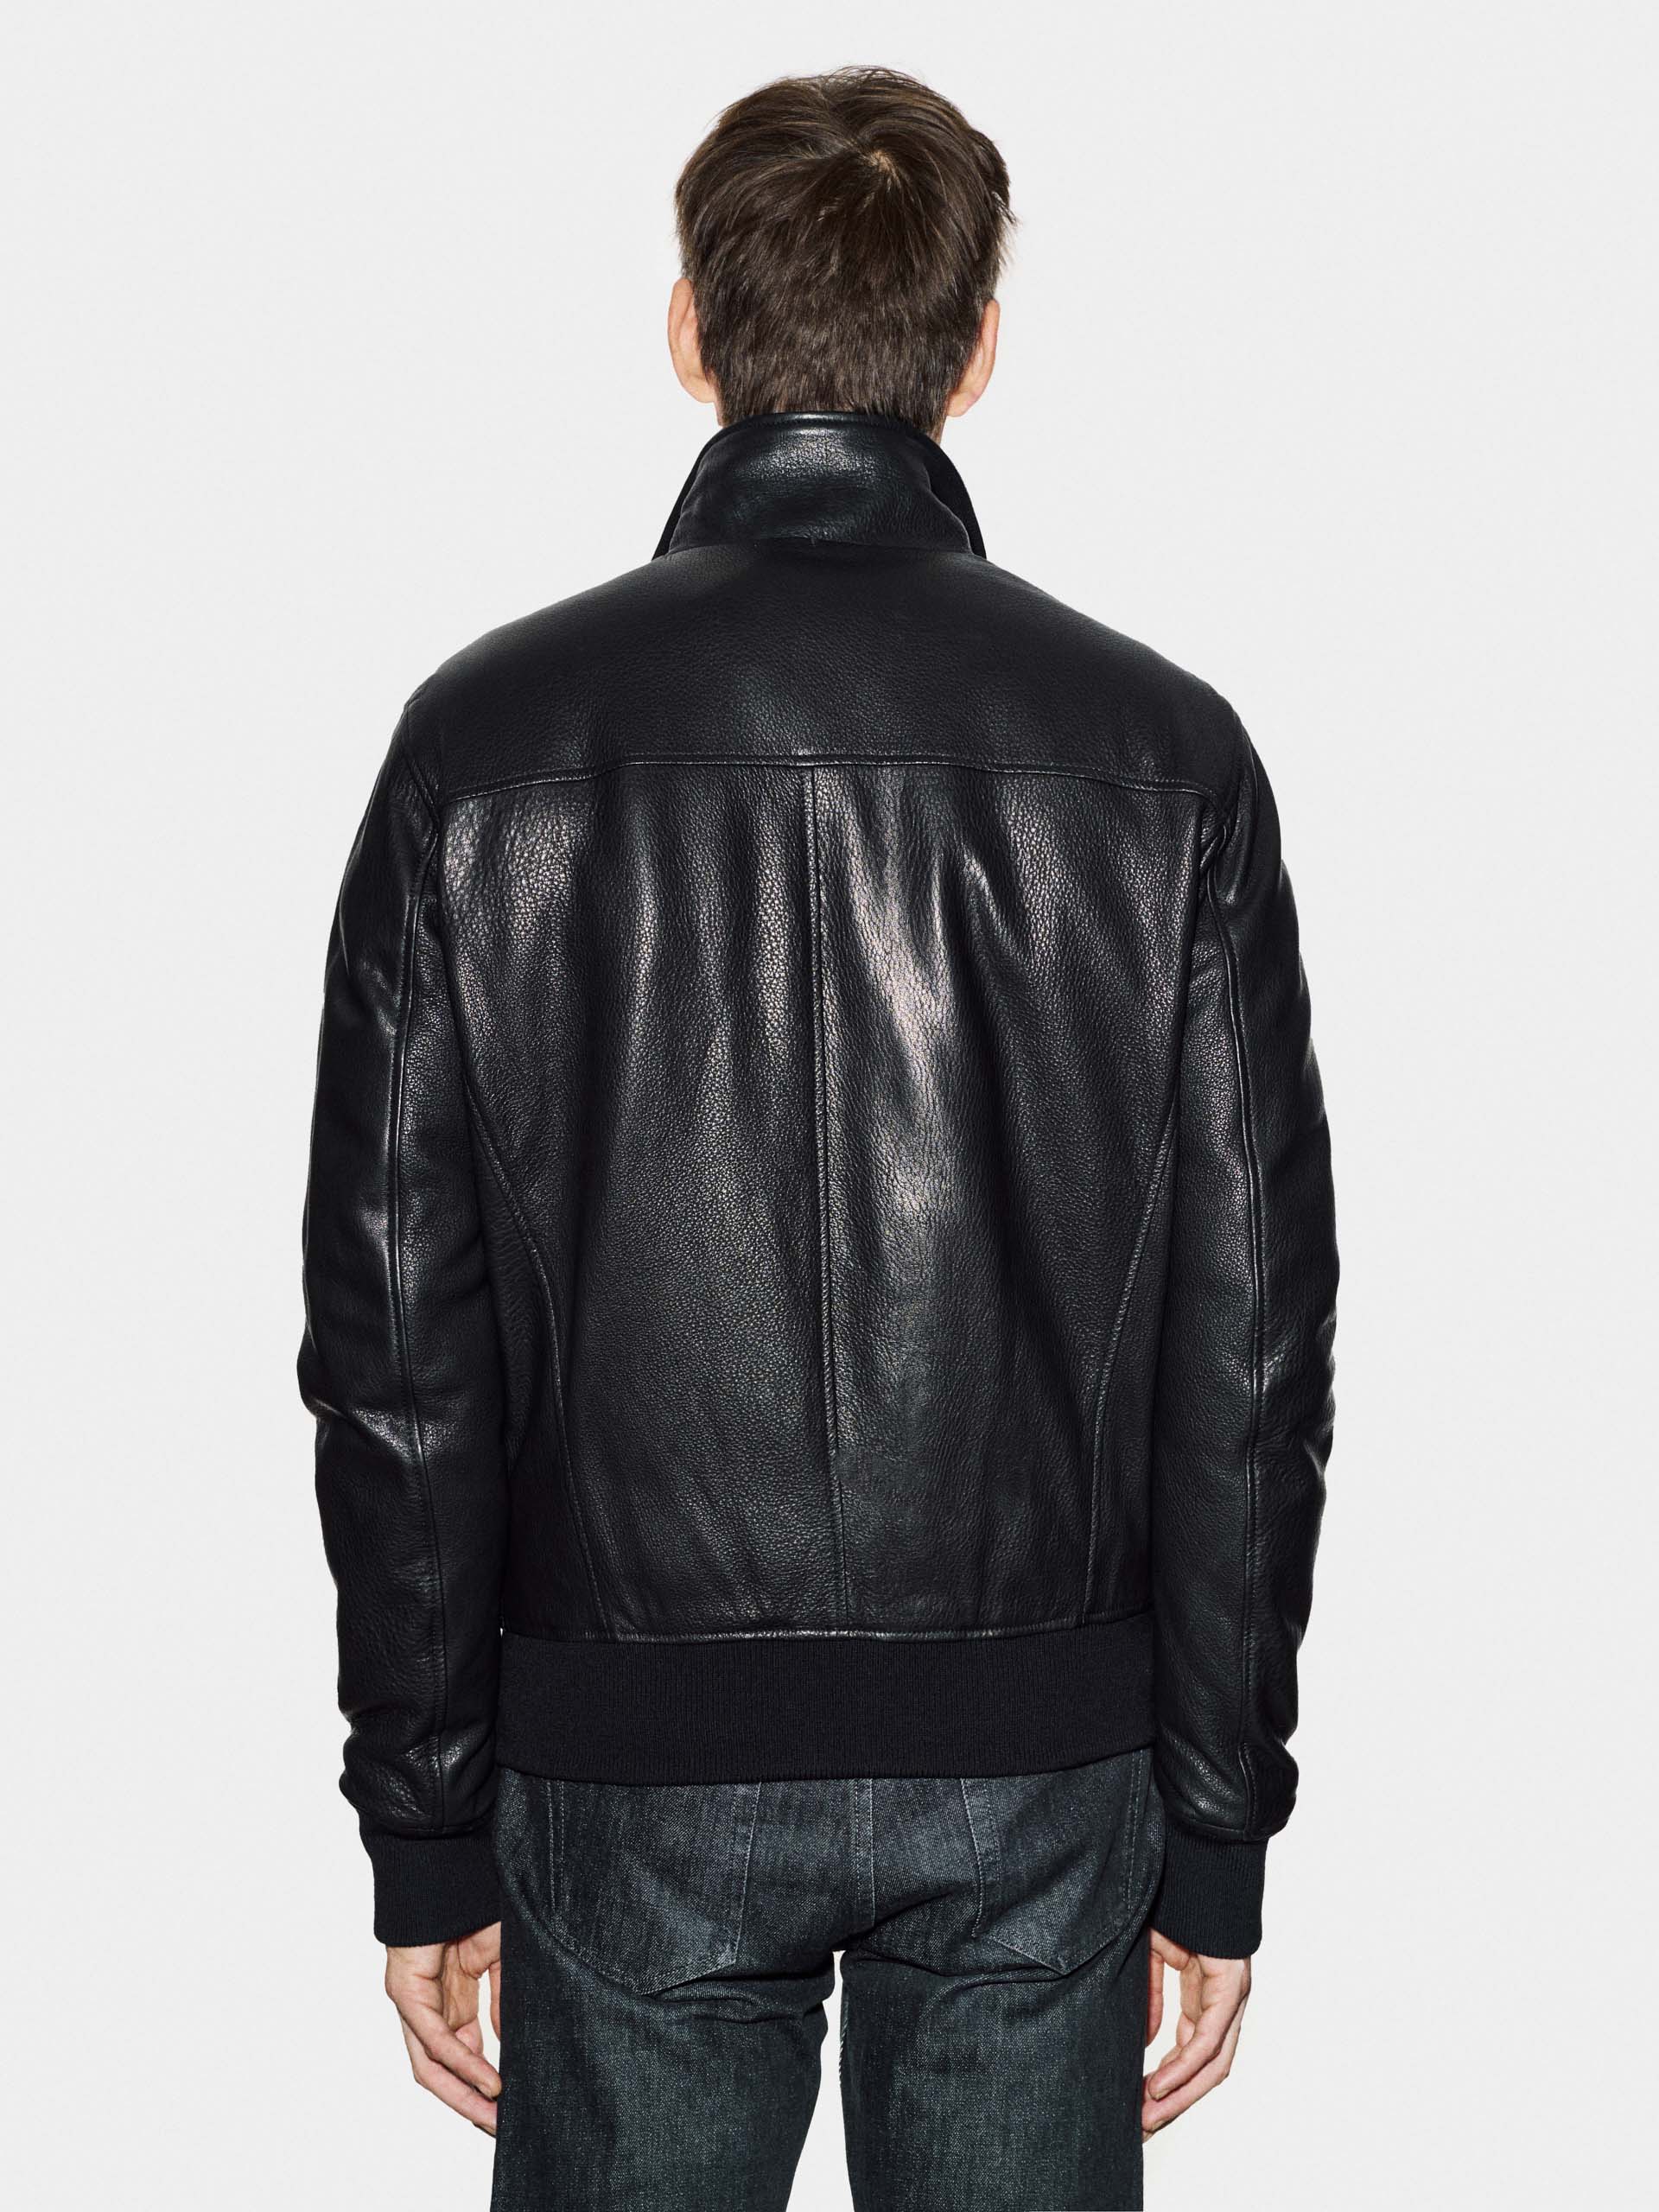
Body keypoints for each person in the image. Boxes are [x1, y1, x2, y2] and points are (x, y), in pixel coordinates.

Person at [297, 64, 1338, 2212]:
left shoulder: (485, 744)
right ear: (976, 348)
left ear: (691, 327)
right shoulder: (1163, 756)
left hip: (630, 1761)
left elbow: (397, 1350)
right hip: (1039, 1769)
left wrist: (428, 1818)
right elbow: (1250, 1358)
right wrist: (1218, 1823)